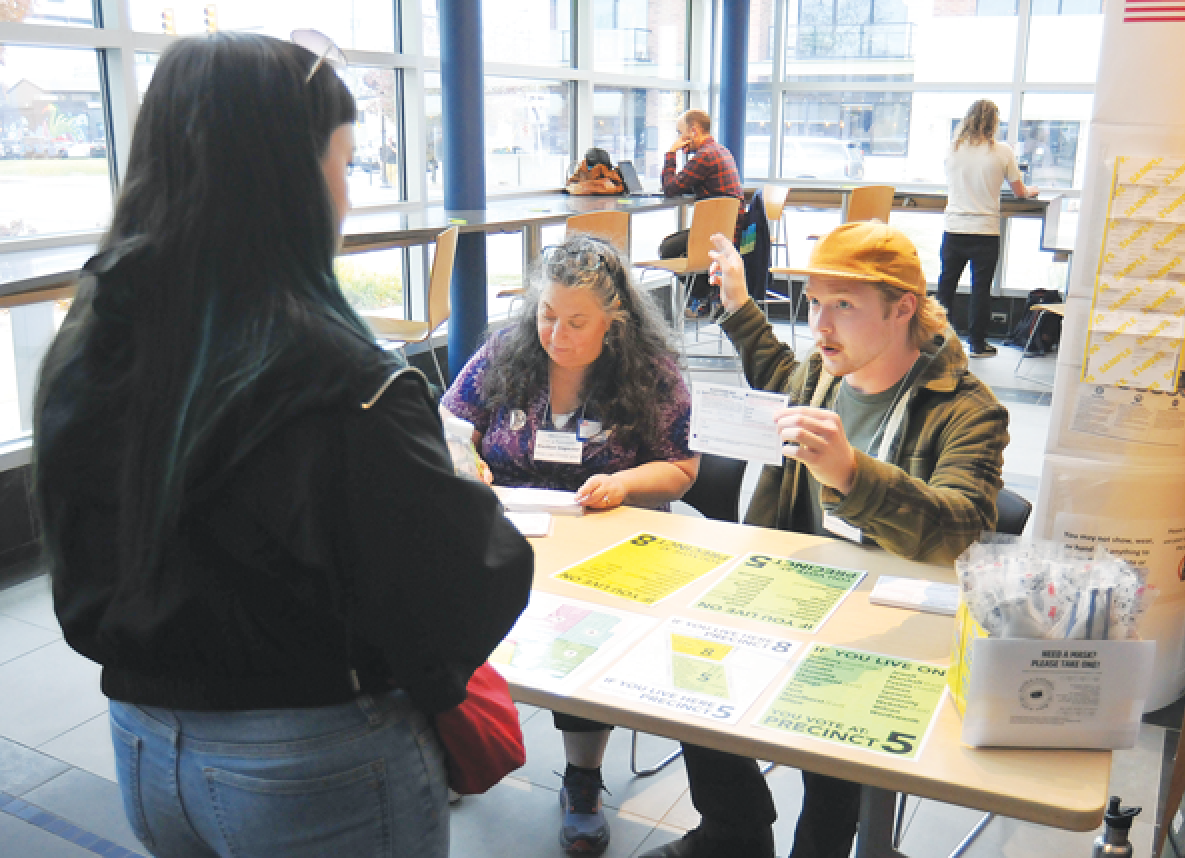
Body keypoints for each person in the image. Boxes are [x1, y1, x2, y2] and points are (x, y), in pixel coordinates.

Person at [34, 34, 533, 858]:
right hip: (310, 762)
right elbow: (459, 592)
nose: (346, 197)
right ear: (285, 179)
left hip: (142, 741)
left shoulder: (96, 331)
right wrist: (457, 489)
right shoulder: (339, 377)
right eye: (342, 163)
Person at [640, 221, 1010, 858]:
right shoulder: (822, 372)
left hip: (891, 628)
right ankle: (734, 829)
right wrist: (738, 306)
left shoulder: (968, 408)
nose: (820, 325)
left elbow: (961, 527)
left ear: (903, 309)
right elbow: (783, 372)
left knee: (834, 752)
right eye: (814, 303)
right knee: (688, 670)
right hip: (795, 592)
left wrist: (850, 474)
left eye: (844, 306)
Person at [442, 234, 700, 855]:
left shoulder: (651, 373)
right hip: (508, 530)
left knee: (584, 637)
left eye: (576, 321)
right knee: (440, 608)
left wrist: (623, 481)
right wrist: (465, 460)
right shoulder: (508, 352)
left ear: (614, 322)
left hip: (606, 537)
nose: (556, 332)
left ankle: (582, 777)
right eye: (547, 314)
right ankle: (453, 742)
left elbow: (682, 468)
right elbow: (452, 425)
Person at [937, 98, 1039, 358]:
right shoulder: (1002, 151)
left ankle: (936, 340)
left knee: (946, 285)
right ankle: (977, 344)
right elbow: (1019, 192)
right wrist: (1031, 191)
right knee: (980, 290)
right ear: (994, 122)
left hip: (955, 227)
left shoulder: (953, 148)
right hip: (985, 230)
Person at [657, 108, 743, 317]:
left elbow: (670, 189)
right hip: (730, 232)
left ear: (693, 131)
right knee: (683, 246)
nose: (679, 138)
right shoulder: (721, 151)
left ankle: (702, 296)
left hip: (716, 236)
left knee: (668, 249)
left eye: (680, 133)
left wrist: (671, 154)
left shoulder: (704, 156)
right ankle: (706, 297)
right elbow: (686, 183)